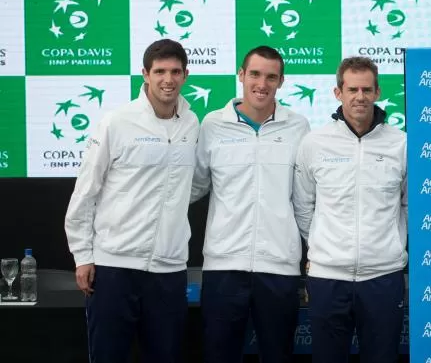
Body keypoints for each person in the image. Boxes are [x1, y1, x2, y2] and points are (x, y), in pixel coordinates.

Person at [64, 39, 200, 363]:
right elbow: (86, 191)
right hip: (115, 267)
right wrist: (83, 254)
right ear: (145, 74)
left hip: (169, 270)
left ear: (186, 75)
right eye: (160, 71)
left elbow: (189, 186)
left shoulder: (192, 125)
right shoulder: (117, 121)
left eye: (175, 72)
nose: (168, 79)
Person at [191, 46, 310, 363]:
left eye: (271, 77)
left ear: (281, 82)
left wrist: (316, 251)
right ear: (241, 76)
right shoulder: (212, 125)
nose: (262, 84)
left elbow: (304, 198)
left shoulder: (298, 127)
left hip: (279, 268)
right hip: (223, 268)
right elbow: (194, 187)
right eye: (255, 74)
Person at [293, 56, 407, 363]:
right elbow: (304, 205)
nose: (360, 97)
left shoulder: (401, 144)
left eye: (367, 89)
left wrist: (390, 246)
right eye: (353, 89)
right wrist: (322, 246)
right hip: (328, 278)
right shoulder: (313, 143)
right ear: (338, 93)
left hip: (383, 277)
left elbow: (408, 205)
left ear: (378, 92)